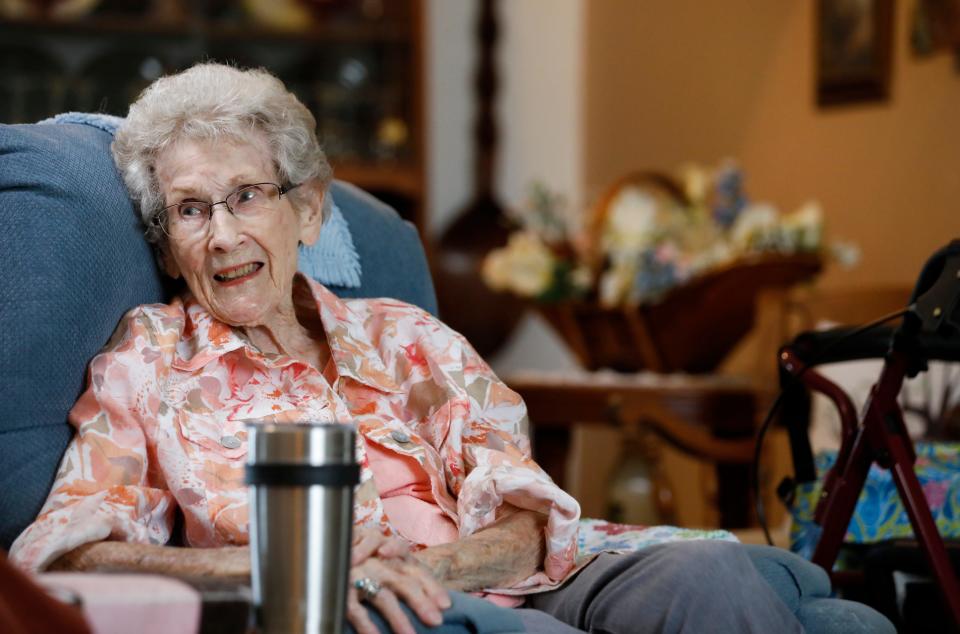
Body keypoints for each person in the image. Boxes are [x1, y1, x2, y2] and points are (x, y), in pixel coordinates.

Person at [8, 63, 815, 634]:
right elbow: (65, 555)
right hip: (371, 615)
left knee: (713, 574)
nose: (222, 236)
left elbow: (533, 521)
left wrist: (436, 568)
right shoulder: (149, 360)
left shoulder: (408, 337)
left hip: (516, 580)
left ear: (310, 211)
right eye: (189, 210)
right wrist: (277, 568)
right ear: (166, 239)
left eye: (247, 196)